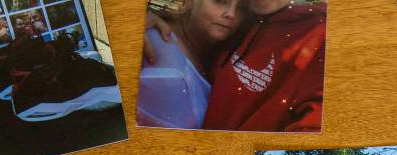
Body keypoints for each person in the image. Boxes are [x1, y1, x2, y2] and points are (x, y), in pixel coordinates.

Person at [146, 0, 327, 132]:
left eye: (239, 8)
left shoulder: (320, 35)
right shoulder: (247, 23)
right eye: (220, 2)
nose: (231, 14)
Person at [137, 0, 249, 129]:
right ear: (190, 2)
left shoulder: (221, 59)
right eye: (220, 1)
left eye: (242, 8)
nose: (231, 14)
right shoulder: (153, 42)